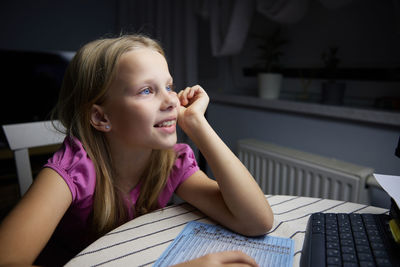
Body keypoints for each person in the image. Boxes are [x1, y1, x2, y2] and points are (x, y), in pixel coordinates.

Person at [0, 34, 273, 266]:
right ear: (101, 118)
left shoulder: (170, 163)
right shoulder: (74, 168)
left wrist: (197, 124)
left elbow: (256, 221)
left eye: (169, 87)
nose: (170, 101)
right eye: (146, 90)